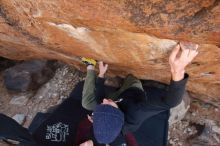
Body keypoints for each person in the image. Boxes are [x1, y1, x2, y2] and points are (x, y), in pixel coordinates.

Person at [81, 43, 198, 145]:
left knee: (88, 104)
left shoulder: (106, 120)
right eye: (107, 105)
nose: (105, 101)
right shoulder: (136, 112)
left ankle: (90, 66)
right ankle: (130, 83)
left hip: (118, 100)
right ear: (118, 113)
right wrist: (178, 71)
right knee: (130, 78)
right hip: (132, 89)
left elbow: (101, 100)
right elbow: (171, 101)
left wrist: (101, 74)